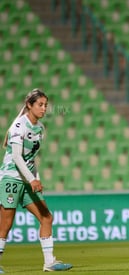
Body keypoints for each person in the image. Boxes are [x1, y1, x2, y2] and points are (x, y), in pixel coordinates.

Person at [0, 89, 73, 272]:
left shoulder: (40, 128)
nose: (44, 108)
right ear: (29, 105)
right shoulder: (18, 126)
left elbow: (31, 159)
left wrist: (36, 179)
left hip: (28, 180)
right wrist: (32, 180)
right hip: (11, 178)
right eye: (40, 105)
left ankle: (49, 263)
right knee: (6, 224)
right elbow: (16, 157)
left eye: (45, 105)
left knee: (47, 217)